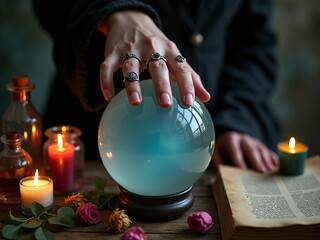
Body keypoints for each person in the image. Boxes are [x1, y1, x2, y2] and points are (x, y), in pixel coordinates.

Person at [32, 0, 282, 172]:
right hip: (96, 143)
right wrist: (117, 12)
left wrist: (236, 120)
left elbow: (254, 41)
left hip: (216, 138)